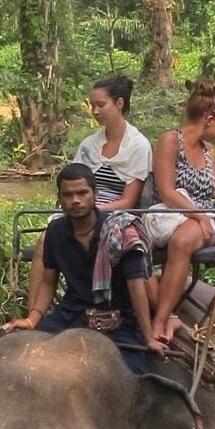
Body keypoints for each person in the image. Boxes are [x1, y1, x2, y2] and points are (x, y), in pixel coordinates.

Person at [3, 163, 163, 373]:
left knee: (131, 374)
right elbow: (48, 280)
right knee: (23, 360)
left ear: (95, 194)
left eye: (82, 193)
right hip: (72, 314)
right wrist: (32, 319)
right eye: (68, 195)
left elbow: (136, 286)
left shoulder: (120, 231)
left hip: (118, 318)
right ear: (59, 198)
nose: (75, 200)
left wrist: (149, 337)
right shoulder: (56, 231)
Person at [144, 78, 215, 349]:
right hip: (171, 212)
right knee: (137, 245)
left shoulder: (209, 150)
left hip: (199, 220)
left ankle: (160, 320)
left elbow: (213, 189)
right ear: (209, 118)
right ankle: (165, 312)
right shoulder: (170, 141)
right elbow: (166, 190)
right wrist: (199, 215)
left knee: (182, 241)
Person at [73, 76, 152, 303]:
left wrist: (94, 210)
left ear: (119, 103)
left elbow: (128, 201)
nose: (95, 111)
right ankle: (34, 315)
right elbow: (73, 183)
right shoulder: (89, 145)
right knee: (48, 238)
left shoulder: (137, 146)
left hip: (118, 214)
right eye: (92, 106)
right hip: (83, 210)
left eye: (100, 105)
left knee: (115, 239)